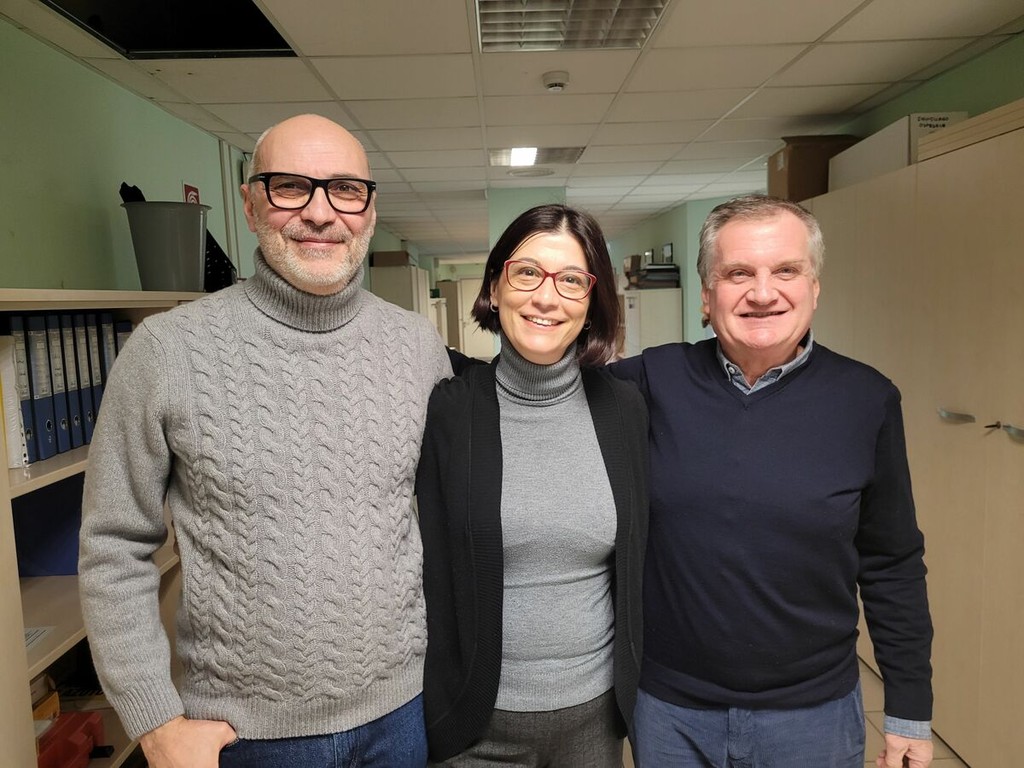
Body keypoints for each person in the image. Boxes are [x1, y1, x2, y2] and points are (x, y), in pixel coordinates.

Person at [78, 114, 452, 768]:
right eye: (290, 187)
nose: (320, 213)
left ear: (369, 211)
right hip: (242, 736)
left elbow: (445, 519)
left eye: (345, 189)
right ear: (251, 205)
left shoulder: (418, 347)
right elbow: (114, 544)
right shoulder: (166, 351)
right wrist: (155, 722)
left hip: (403, 717)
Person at [610, 194, 933, 768]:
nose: (763, 293)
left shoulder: (867, 399)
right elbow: (543, 387)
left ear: (815, 287)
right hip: (670, 713)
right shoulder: (651, 382)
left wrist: (908, 710)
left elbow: (892, 562)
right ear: (707, 294)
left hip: (813, 719)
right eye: (738, 273)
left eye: (786, 270)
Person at [416, 204, 649, 767]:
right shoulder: (448, 411)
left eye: (571, 280)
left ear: (591, 302)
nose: (547, 298)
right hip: (475, 726)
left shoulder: (624, 409)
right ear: (495, 287)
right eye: (527, 273)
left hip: (595, 721)